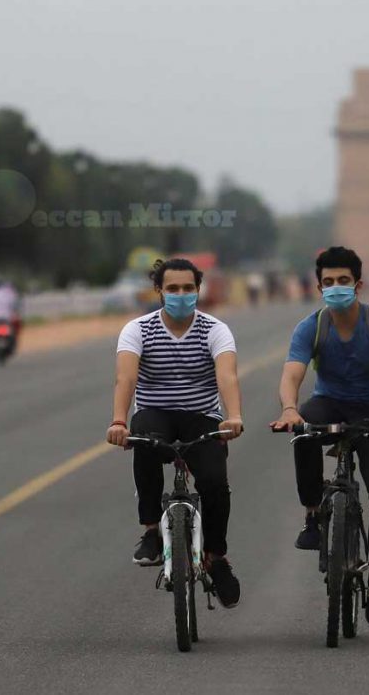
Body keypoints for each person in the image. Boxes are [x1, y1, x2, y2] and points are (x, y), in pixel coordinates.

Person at [271, 246, 369, 626]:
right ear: (318, 286)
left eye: (343, 281)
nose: (336, 288)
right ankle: (312, 513)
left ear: (358, 285)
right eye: (328, 282)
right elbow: (292, 374)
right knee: (303, 431)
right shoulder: (312, 326)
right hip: (331, 402)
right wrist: (289, 409)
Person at [105, 258, 245, 608]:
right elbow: (127, 378)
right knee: (143, 440)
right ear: (159, 291)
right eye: (172, 289)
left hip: (202, 417)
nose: (181, 295)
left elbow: (226, 376)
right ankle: (152, 530)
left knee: (214, 482)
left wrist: (234, 416)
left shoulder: (215, 330)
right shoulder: (138, 329)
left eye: (187, 288)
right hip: (156, 414)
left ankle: (216, 556)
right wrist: (119, 421)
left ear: (198, 290)